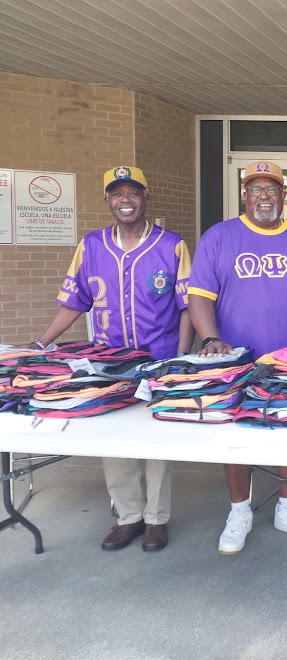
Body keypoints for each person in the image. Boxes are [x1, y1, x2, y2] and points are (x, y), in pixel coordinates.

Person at [31, 165, 193, 552]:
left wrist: (181, 358)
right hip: (108, 364)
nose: (126, 200)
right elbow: (74, 302)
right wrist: (41, 344)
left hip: (159, 360)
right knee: (113, 443)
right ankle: (128, 517)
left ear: (145, 198)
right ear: (107, 200)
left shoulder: (172, 245)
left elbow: (188, 306)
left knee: (155, 443)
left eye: (133, 192)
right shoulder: (90, 245)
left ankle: (156, 520)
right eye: (117, 193)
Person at [187, 160, 287, 555]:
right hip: (237, 358)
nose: (264, 196)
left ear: (284, 196)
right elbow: (198, 296)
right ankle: (239, 511)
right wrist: (211, 338)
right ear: (244, 195)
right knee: (237, 437)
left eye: (271, 189)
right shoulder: (219, 237)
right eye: (255, 189)